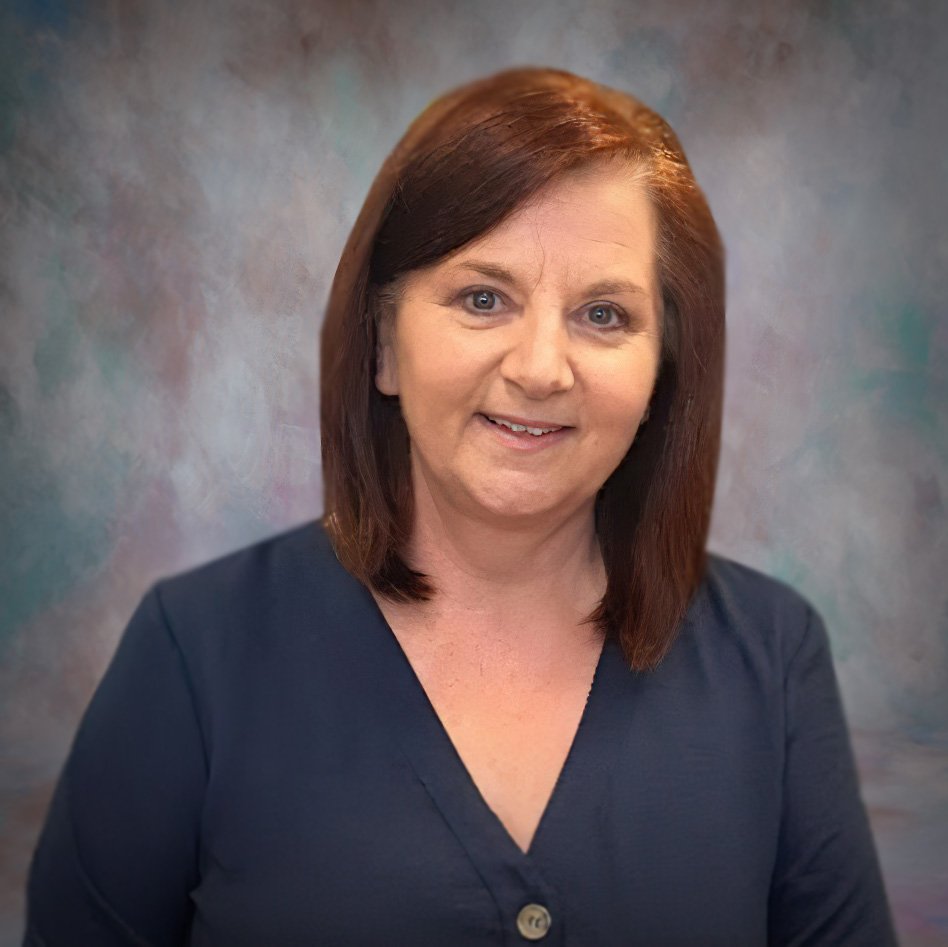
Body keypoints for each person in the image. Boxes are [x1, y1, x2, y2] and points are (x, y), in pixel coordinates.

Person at [24, 67, 897, 946]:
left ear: (663, 371)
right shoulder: (193, 654)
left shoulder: (773, 660)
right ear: (383, 349)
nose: (542, 367)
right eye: (483, 298)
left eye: (603, 314)